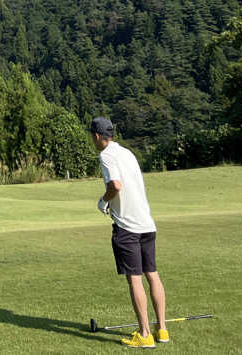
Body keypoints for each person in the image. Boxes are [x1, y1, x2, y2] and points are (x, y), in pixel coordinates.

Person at [90, 117, 168, 348]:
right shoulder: (127, 152)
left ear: (96, 136)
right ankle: (161, 329)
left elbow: (115, 185)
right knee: (152, 274)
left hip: (127, 227)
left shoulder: (105, 156)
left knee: (134, 279)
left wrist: (103, 202)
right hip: (147, 223)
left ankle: (144, 335)